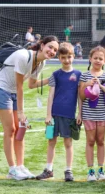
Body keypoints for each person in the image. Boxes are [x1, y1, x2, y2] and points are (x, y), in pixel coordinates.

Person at [0, 36, 59, 180]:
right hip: (1, 90)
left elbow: (31, 85)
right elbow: (20, 86)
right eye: (50, 47)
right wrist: (21, 112)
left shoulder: (40, 63)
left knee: (21, 130)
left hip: (13, 93)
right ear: (42, 45)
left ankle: (20, 166)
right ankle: (12, 170)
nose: (52, 51)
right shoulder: (23, 56)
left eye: (55, 50)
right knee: (10, 130)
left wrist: (51, 79)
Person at [35, 42, 82, 182]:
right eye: (63, 57)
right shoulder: (55, 75)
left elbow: (80, 96)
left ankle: (68, 170)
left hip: (69, 115)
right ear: (59, 58)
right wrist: (48, 114)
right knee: (51, 142)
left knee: (68, 143)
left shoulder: (78, 75)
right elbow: (50, 95)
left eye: (69, 57)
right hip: (54, 115)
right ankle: (49, 169)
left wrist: (80, 113)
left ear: (73, 56)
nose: (66, 60)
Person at [78, 46, 105, 181]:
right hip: (88, 114)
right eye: (95, 58)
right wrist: (87, 84)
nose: (98, 61)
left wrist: (101, 86)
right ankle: (90, 171)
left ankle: (101, 170)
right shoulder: (85, 75)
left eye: (101, 58)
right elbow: (81, 97)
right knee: (90, 141)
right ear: (90, 59)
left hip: (102, 114)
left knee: (100, 141)